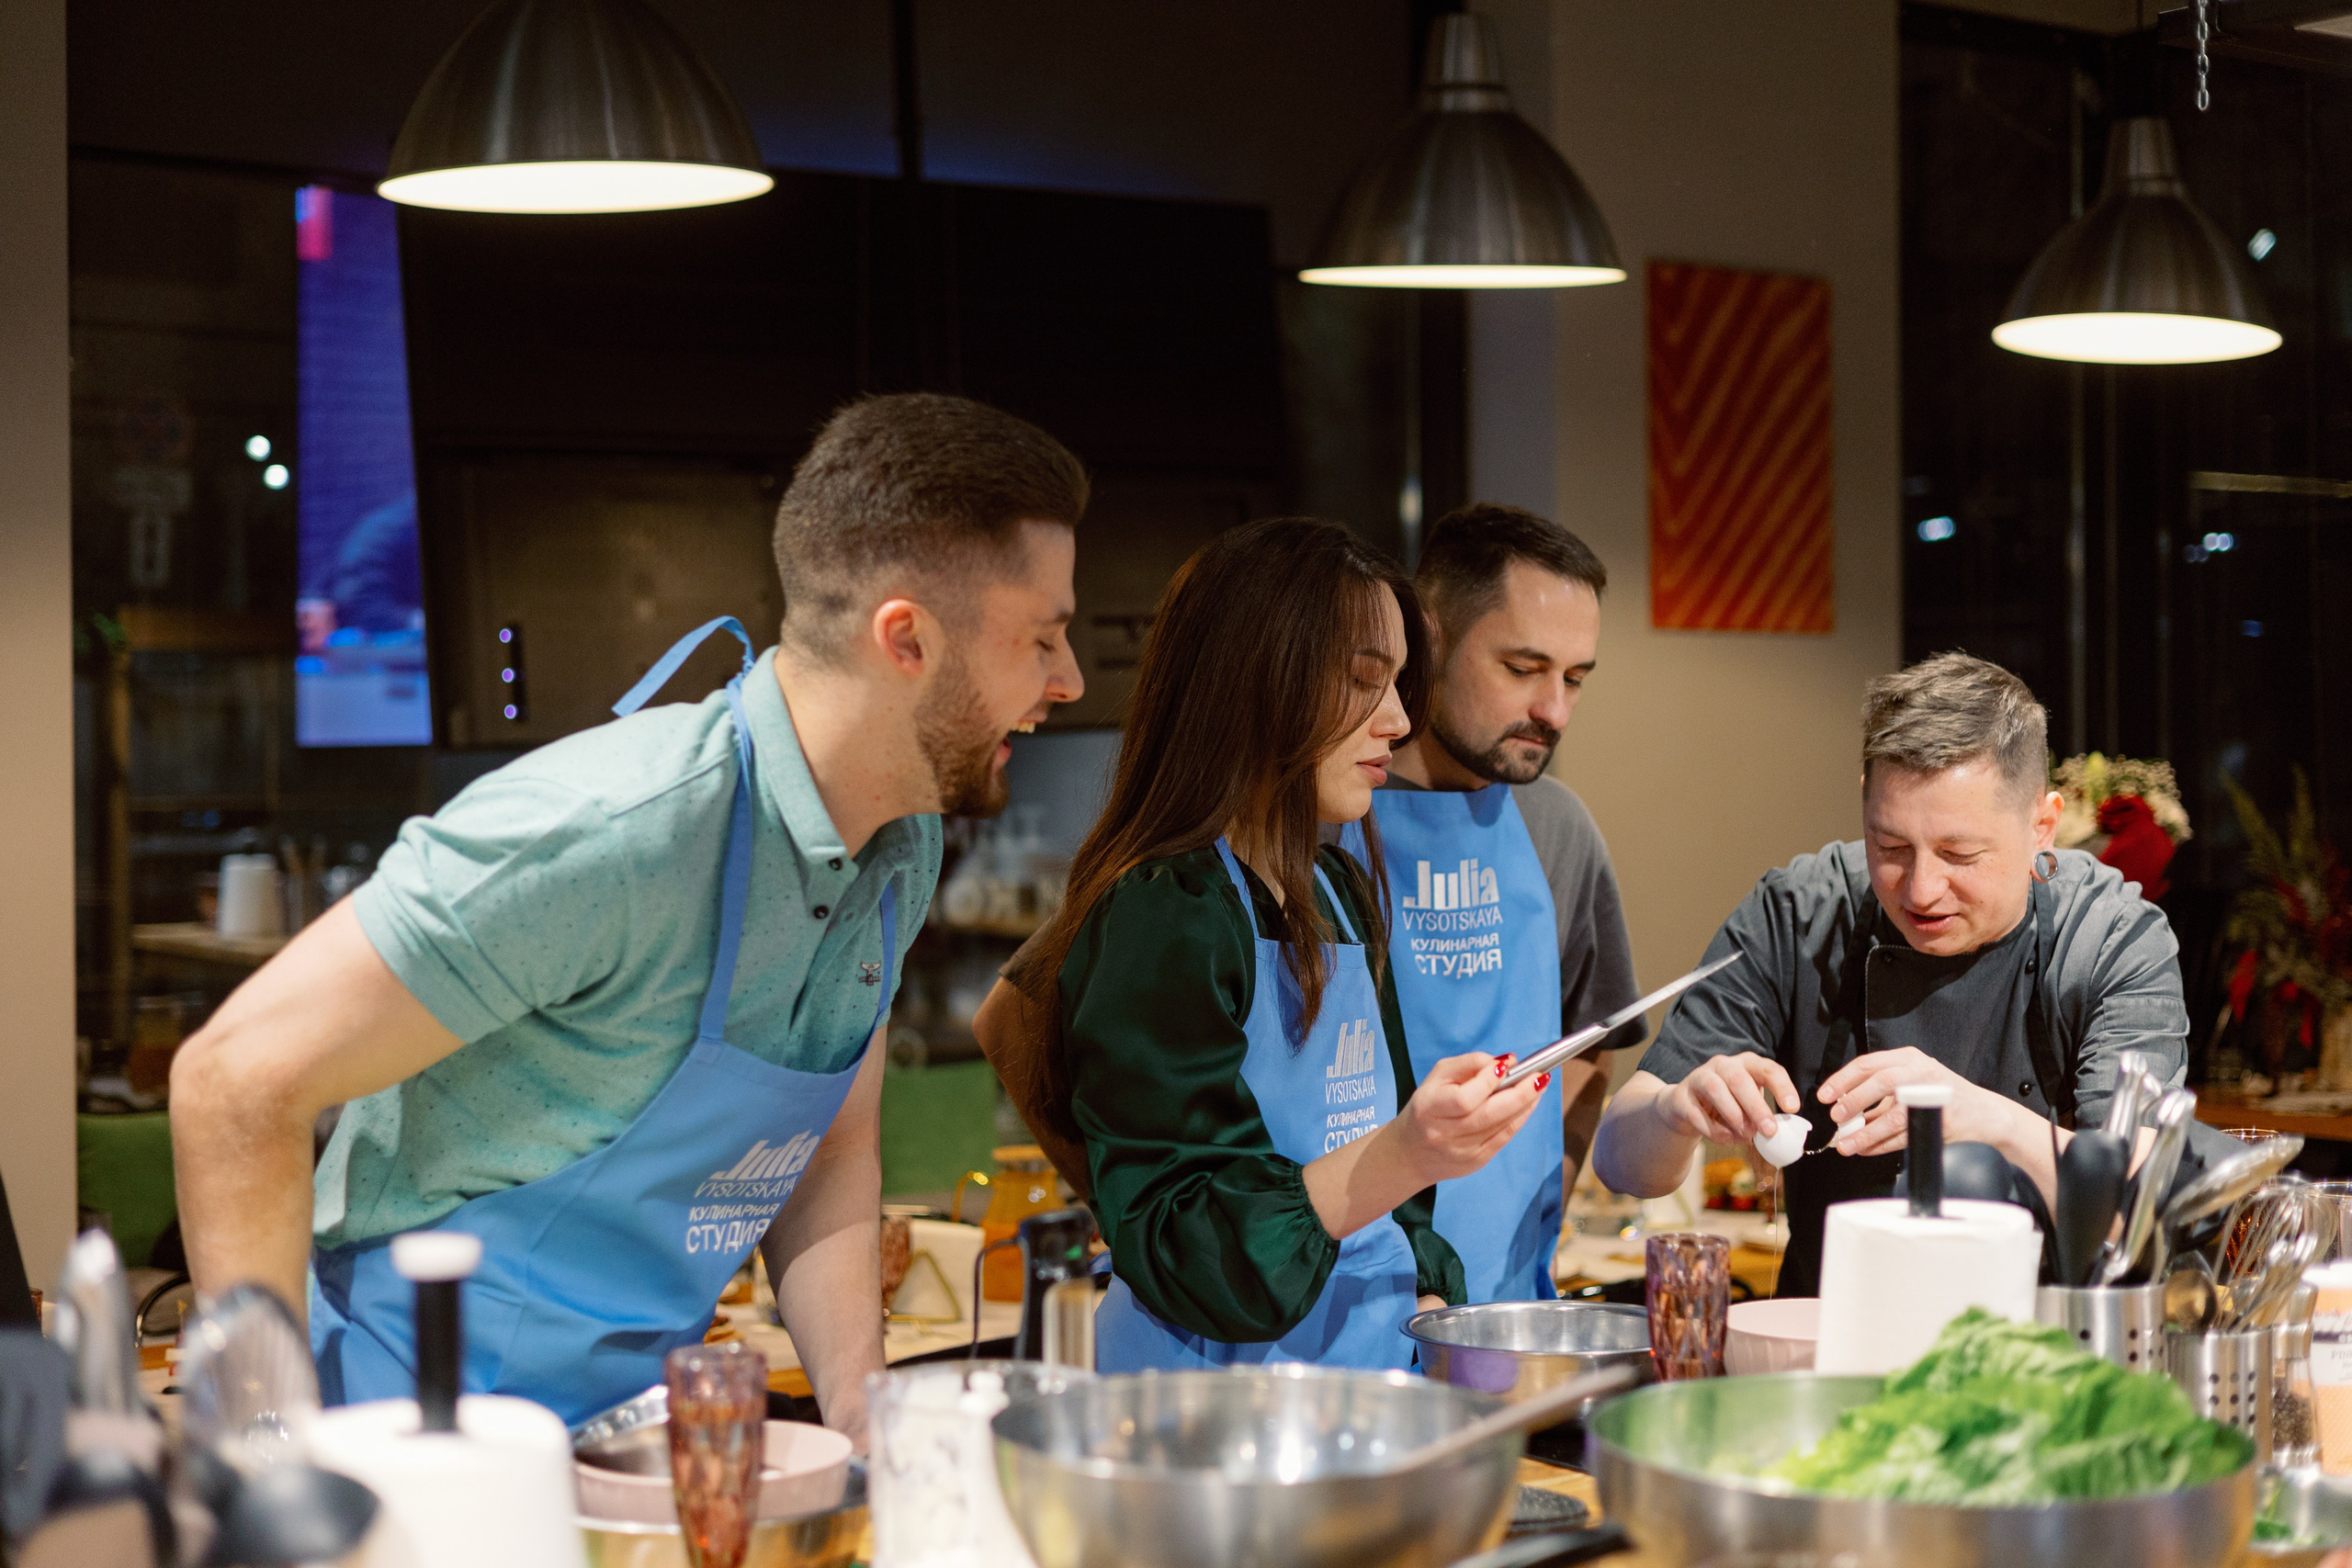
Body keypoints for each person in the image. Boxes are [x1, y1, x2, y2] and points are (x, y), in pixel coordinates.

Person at [170, 393, 1089, 1440]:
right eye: (1043, 639)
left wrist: (861, 1421)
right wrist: (265, 1455)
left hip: (633, 1439)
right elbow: (230, 1082)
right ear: (908, 639)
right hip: (406, 1442)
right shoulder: (614, 834)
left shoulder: (900, 841)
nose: (1068, 681)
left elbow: (826, 1158)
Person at [994, 518, 1544, 1371]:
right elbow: (1187, 1227)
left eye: (1400, 682)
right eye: (1368, 680)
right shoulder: (1166, 909)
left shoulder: (1341, 888)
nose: (1398, 720)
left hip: (1356, 1392)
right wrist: (1404, 1149)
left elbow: (1391, 1182)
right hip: (1212, 1421)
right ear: (1258, 683)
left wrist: (1424, 1289)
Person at [1590, 652, 2220, 1299]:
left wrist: (1983, 1118)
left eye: (1959, 853)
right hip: (1828, 1345)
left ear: (2043, 826)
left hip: (2047, 1349)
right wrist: (1676, 1109)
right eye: (1889, 847)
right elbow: (1619, 1158)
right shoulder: (1800, 914)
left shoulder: (2111, 936)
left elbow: (2141, 1202)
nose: (1921, 888)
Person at [1333, 503, 1641, 1303]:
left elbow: (1591, 1044)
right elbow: (1024, 1024)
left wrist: (1539, 1209)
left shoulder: (1558, 828)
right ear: (1426, 634)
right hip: (1329, 1330)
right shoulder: (1318, 811)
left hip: (1505, 1323)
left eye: (1575, 678)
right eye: (1523, 668)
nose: (1556, 711)